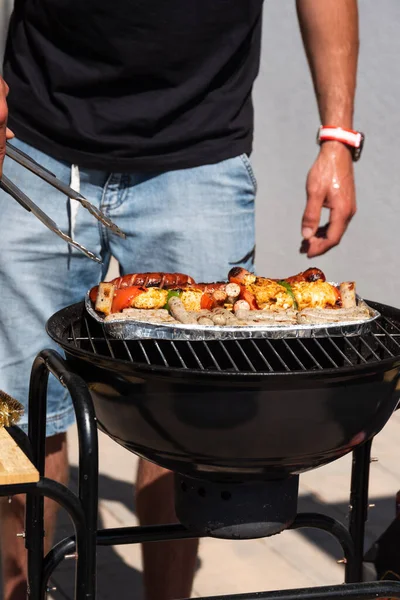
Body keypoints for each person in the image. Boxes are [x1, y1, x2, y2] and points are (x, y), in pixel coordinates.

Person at [0, 1, 360, 599]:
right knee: (22, 413)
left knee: (181, 416)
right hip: (37, 142)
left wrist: (338, 138)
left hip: (199, 156)